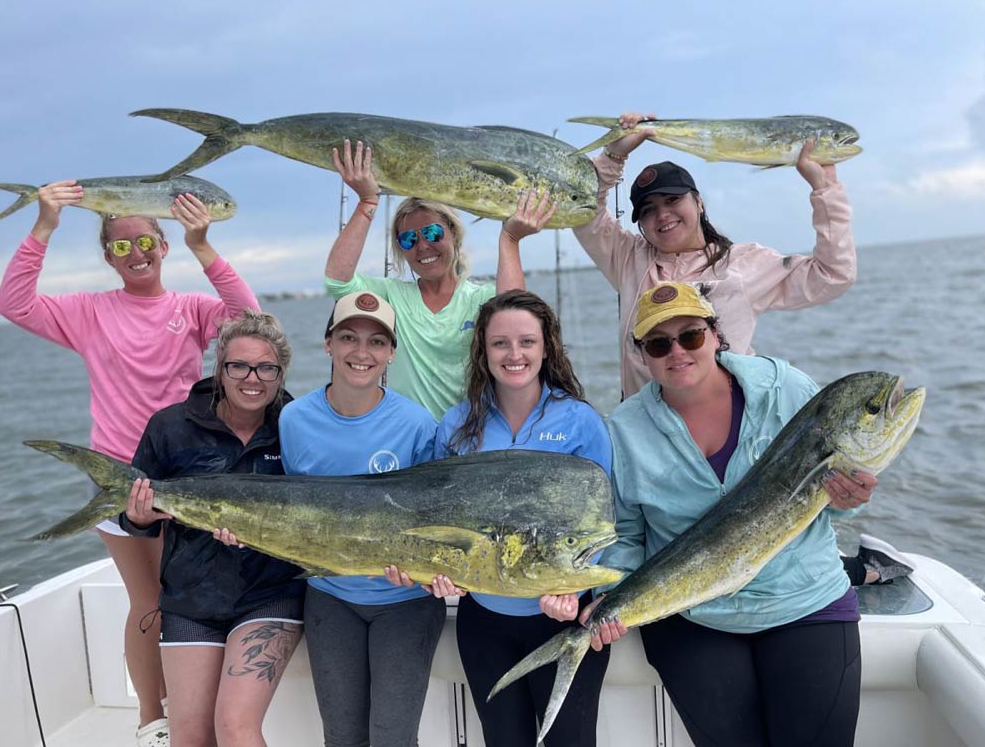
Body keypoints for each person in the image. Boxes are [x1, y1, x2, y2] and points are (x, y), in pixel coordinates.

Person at [0, 182, 259, 746]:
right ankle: (150, 718)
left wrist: (203, 244)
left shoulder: (190, 308)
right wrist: (44, 224)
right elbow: (14, 304)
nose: (135, 254)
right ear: (107, 256)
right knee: (149, 602)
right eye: (119, 247)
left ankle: (202, 710)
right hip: (122, 478)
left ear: (163, 245)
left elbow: (249, 318)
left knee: (195, 600)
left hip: (192, 478)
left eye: (145, 242)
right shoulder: (88, 312)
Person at [587, 282, 877, 747]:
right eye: (659, 344)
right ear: (642, 355)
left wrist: (849, 499)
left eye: (691, 336)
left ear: (716, 335)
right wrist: (611, 593)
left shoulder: (786, 389)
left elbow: (824, 502)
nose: (677, 352)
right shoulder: (623, 430)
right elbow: (624, 533)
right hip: (695, 618)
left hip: (803, 602)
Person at [432, 290, 613, 747]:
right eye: (500, 344)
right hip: (484, 622)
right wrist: (435, 574)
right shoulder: (455, 426)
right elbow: (438, 522)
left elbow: (606, 525)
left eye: (527, 342)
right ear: (483, 351)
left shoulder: (581, 422)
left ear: (546, 346)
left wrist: (573, 590)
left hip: (564, 620)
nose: (515, 355)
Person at [572, 112, 856, 401]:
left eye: (672, 200)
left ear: (699, 202)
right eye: (647, 210)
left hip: (730, 431)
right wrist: (614, 155)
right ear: (641, 224)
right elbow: (582, 208)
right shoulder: (627, 258)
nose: (662, 215)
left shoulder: (742, 263)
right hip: (644, 434)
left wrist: (825, 189)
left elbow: (832, 275)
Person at [121, 310, 303, 747]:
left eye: (266, 368)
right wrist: (140, 516)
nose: (252, 379)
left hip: (269, 592)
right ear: (220, 368)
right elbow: (135, 517)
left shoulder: (297, 424)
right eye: (238, 366)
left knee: (236, 728)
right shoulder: (170, 426)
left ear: (281, 373)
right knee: (190, 737)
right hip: (192, 598)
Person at [278, 290, 442, 747]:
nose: (361, 352)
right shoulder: (293, 419)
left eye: (376, 342)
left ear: (391, 353)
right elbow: (289, 513)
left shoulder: (417, 424)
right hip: (329, 597)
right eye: (349, 337)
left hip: (404, 600)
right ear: (328, 343)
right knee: (343, 737)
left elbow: (433, 517)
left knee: (392, 737)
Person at [323, 139, 555, 418]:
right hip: (409, 435)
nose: (423, 246)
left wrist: (510, 238)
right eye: (409, 239)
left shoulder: (480, 298)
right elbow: (337, 282)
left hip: (470, 434)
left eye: (433, 233)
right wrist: (367, 203)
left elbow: (516, 314)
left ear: (454, 234)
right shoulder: (392, 297)